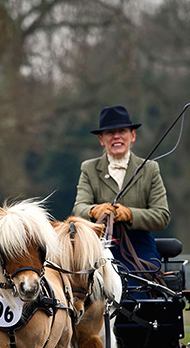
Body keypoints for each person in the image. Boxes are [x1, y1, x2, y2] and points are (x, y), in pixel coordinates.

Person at [72, 105, 170, 277]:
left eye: (122, 131)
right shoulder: (89, 169)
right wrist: (94, 210)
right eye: (110, 133)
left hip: (139, 245)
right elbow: (78, 210)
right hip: (99, 245)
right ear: (101, 139)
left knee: (139, 285)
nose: (116, 136)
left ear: (132, 136)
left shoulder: (150, 169)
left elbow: (161, 216)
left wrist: (130, 214)